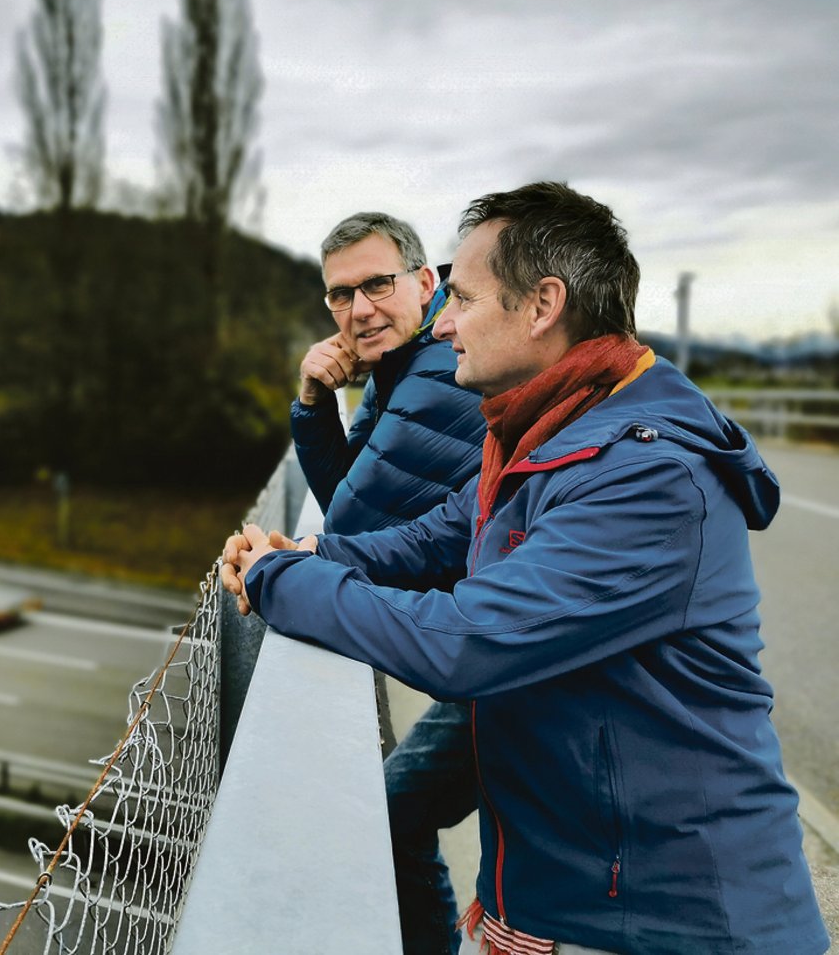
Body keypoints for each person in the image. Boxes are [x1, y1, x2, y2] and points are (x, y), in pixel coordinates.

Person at [223, 182, 829, 954]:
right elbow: (438, 537)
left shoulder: (648, 476)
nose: (444, 323)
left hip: (677, 924)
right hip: (583, 896)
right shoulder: (541, 429)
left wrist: (281, 581)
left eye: (462, 298)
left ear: (542, 305)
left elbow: (467, 642)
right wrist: (309, 554)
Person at [291, 210, 484, 955]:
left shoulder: (438, 371)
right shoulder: (402, 365)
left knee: (392, 812)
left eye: (377, 285)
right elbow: (352, 497)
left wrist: (289, 563)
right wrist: (315, 403)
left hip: (519, 653)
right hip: (490, 631)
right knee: (403, 812)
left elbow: (351, 520)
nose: (359, 309)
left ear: (426, 282)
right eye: (340, 295)